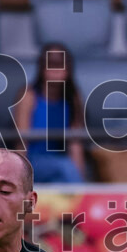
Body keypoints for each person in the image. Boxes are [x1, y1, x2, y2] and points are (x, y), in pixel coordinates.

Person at [14, 42, 86, 183]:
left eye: (60, 63)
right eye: (51, 63)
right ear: (42, 67)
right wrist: (18, 179)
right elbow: (21, 142)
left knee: (62, 181)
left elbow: (75, 145)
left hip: (61, 164)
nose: (56, 68)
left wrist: (81, 179)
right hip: (33, 161)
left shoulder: (73, 97)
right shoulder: (29, 96)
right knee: (66, 168)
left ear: (69, 68)